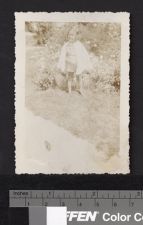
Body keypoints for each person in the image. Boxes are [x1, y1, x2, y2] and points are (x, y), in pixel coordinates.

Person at [57, 28, 92, 94]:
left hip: (77, 62)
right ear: (67, 36)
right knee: (70, 77)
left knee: (79, 76)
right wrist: (63, 62)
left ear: (75, 36)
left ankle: (80, 89)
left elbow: (83, 53)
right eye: (69, 35)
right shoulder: (66, 45)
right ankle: (69, 91)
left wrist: (84, 61)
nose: (70, 37)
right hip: (69, 62)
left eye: (72, 35)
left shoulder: (78, 44)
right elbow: (63, 54)